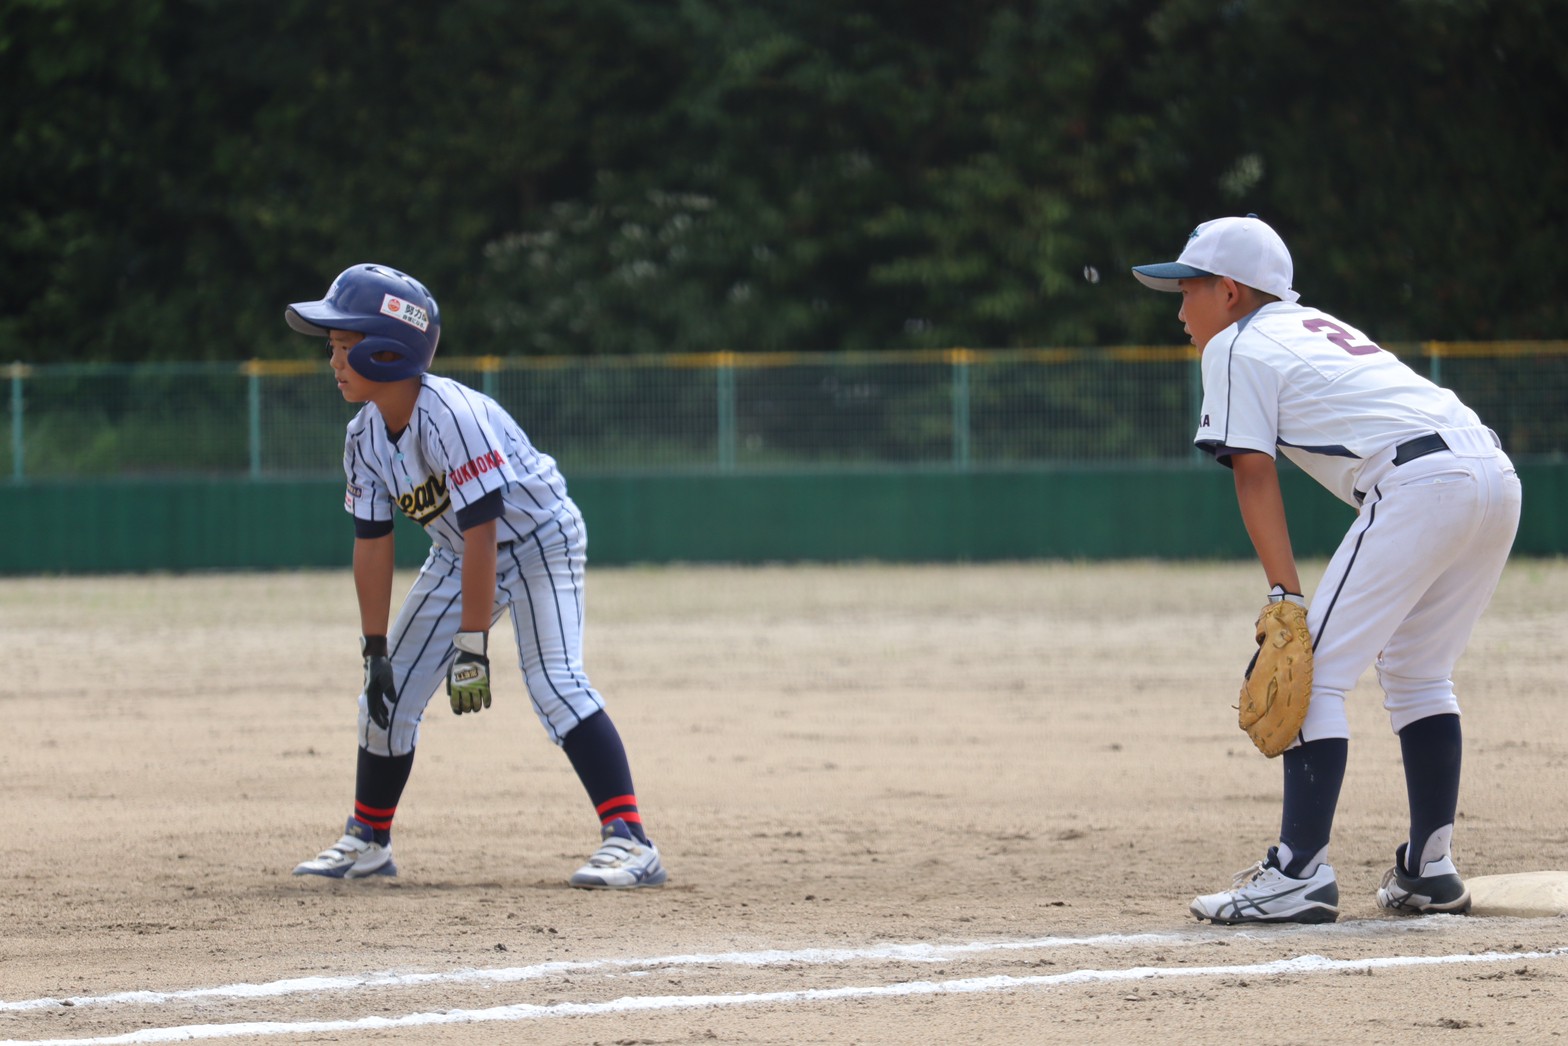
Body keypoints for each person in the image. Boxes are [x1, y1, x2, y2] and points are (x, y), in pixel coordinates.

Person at [1131, 216, 1521, 924]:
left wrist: (1286, 594)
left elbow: (1252, 471)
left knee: (1309, 675)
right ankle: (1429, 871)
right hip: (1492, 474)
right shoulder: (1308, 325)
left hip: (1423, 483)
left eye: (1186, 290)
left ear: (1228, 291)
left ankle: (1297, 873)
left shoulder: (1237, 345)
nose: (1180, 308)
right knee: (1419, 673)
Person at [283, 263, 666, 889]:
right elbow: (373, 545)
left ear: (389, 348)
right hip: (460, 556)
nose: (333, 360)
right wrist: (374, 648)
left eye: (344, 346)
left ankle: (631, 841)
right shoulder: (362, 438)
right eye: (332, 347)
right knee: (389, 691)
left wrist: (471, 644)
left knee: (555, 682)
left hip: (539, 540)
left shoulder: (451, 415)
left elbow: (487, 528)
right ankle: (368, 840)